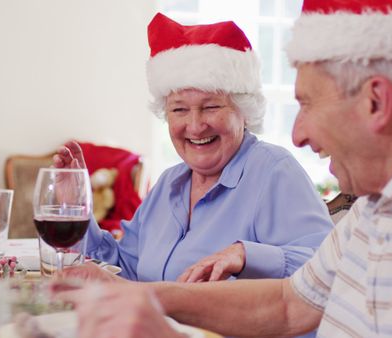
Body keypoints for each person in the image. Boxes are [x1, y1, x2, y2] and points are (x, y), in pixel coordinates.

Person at [58, 0, 392, 337]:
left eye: (307, 104)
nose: (296, 134)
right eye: (179, 109)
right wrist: (140, 299)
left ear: (375, 102)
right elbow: (288, 305)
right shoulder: (380, 202)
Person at [53, 13, 333, 283]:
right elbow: (124, 267)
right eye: (179, 109)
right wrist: (75, 210)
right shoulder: (168, 183)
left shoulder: (273, 170)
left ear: (244, 111)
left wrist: (246, 254)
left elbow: (326, 267)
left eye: (211, 107)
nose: (196, 126)